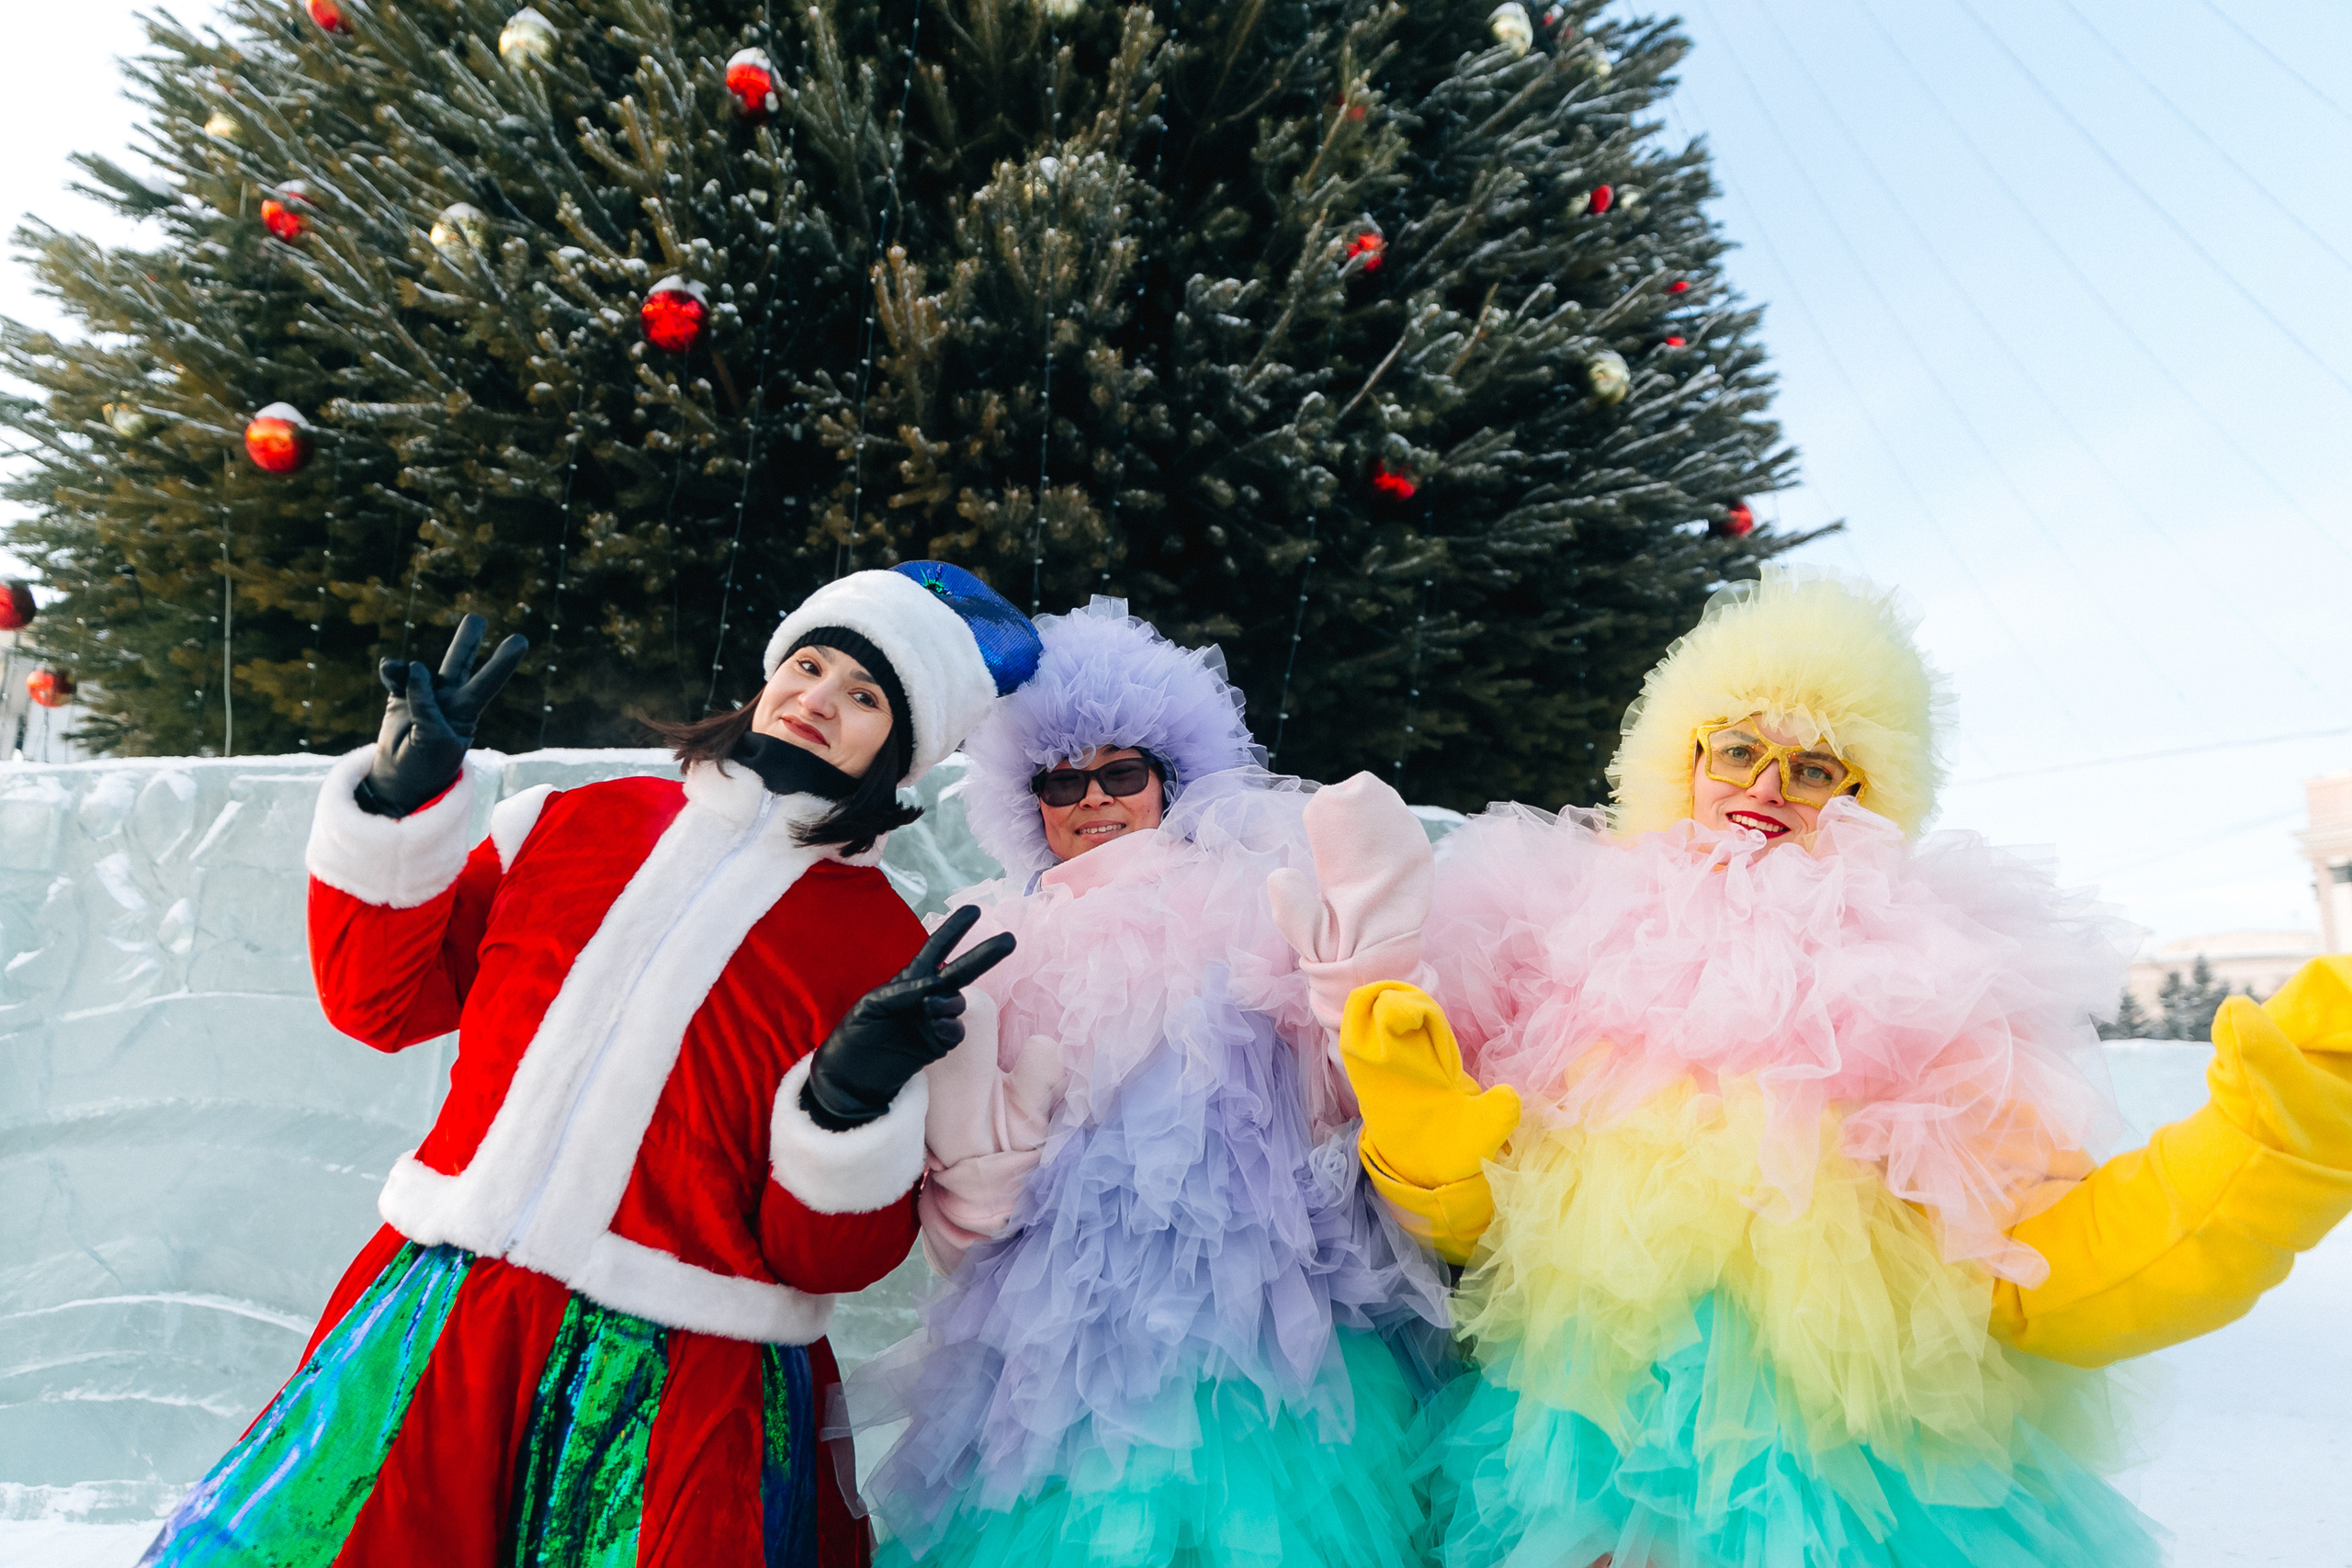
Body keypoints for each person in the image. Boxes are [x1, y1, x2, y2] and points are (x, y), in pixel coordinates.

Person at [1293, 568, 2352, 1568]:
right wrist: (1423, 1134)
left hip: (1844, 1466)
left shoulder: (1924, 980)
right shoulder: (1556, 935)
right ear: (1684, 758)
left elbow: (2041, 1256)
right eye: (1737, 749)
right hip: (1586, 1442)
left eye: (1811, 769)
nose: (1765, 788)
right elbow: (1488, 1241)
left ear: (1862, 797)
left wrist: (2273, 1138)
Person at [140, 562, 1043, 1568]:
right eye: (811, 664)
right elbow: (382, 1004)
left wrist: (847, 1102)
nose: (819, 699)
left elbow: (823, 1260)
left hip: (680, 1389)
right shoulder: (568, 823)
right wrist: (400, 802)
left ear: (903, 751)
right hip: (449, 1326)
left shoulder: (886, 952)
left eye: (865, 696)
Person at [846, 599, 1452, 1568]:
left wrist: (1359, 981)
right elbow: (966, 1197)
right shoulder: (999, 935)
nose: (1093, 799)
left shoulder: (1254, 898)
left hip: (1254, 1332)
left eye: (1120, 773)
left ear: (1172, 780)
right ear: (1026, 802)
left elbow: (1342, 1090)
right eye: (1062, 780)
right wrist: (975, 1168)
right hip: (1059, 1344)